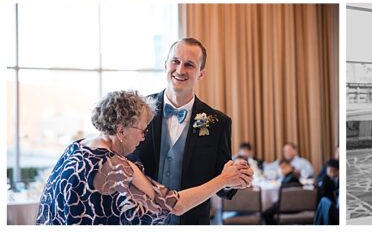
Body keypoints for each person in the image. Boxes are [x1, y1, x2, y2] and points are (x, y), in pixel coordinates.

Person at [36, 90, 251, 224]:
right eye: (142, 130)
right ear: (121, 131)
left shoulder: (76, 148)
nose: (143, 137)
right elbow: (175, 204)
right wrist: (223, 179)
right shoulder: (117, 167)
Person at [129, 38, 249, 224]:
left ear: (201, 74)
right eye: (175, 61)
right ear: (165, 64)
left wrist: (237, 178)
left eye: (189, 64)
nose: (180, 70)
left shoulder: (219, 123)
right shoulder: (138, 110)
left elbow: (223, 184)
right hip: (138, 221)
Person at [261, 159, 303, 224]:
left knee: (265, 214)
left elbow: (288, 198)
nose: (282, 169)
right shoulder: (289, 177)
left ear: (290, 166)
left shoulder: (292, 178)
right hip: (290, 205)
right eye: (281, 168)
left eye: (284, 167)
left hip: (289, 206)